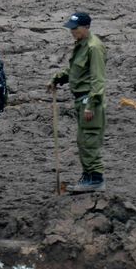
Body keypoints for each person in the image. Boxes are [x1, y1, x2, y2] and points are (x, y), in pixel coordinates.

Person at [48, 12, 107, 193]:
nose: (72, 32)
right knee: (82, 141)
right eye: (71, 29)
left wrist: (91, 104)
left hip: (90, 102)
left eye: (75, 28)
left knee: (89, 141)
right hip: (81, 100)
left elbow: (98, 80)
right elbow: (76, 70)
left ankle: (95, 179)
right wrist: (58, 78)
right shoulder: (81, 45)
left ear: (86, 27)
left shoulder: (94, 47)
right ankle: (88, 176)